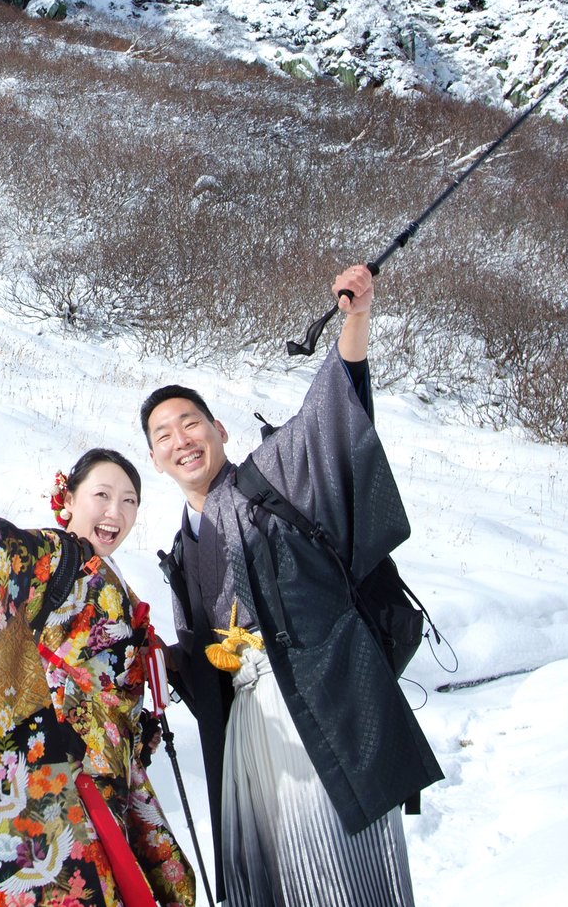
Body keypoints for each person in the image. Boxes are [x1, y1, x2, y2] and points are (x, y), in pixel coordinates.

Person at [144, 265, 441, 906]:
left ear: (219, 431)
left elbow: (331, 416)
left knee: (338, 878)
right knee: (273, 884)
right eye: (164, 435)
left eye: (191, 423)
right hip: (252, 731)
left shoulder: (271, 475)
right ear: (155, 458)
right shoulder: (180, 547)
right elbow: (204, 669)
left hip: (320, 708)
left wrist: (355, 321)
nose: (181, 440)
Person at [0, 450, 201, 907]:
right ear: (66, 500)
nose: (115, 512)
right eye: (101, 495)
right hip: (70, 769)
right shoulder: (65, 555)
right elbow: (20, 552)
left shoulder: (110, 577)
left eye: (128, 501)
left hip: (110, 770)